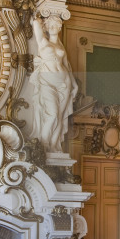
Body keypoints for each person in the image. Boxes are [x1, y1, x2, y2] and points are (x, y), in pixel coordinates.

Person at [29, 12, 77, 153]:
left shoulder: (61, 48)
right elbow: (36, 26)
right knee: (53, 114)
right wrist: (36, 19)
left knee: (60, 117)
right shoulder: (43, 42)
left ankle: (54, 145)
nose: (54, 27)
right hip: (47, 82)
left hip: (64, 84)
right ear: (46, 27)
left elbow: (67, 67)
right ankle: (43, 146)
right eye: (51, 24)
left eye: (57, 24)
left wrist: (74, 85)